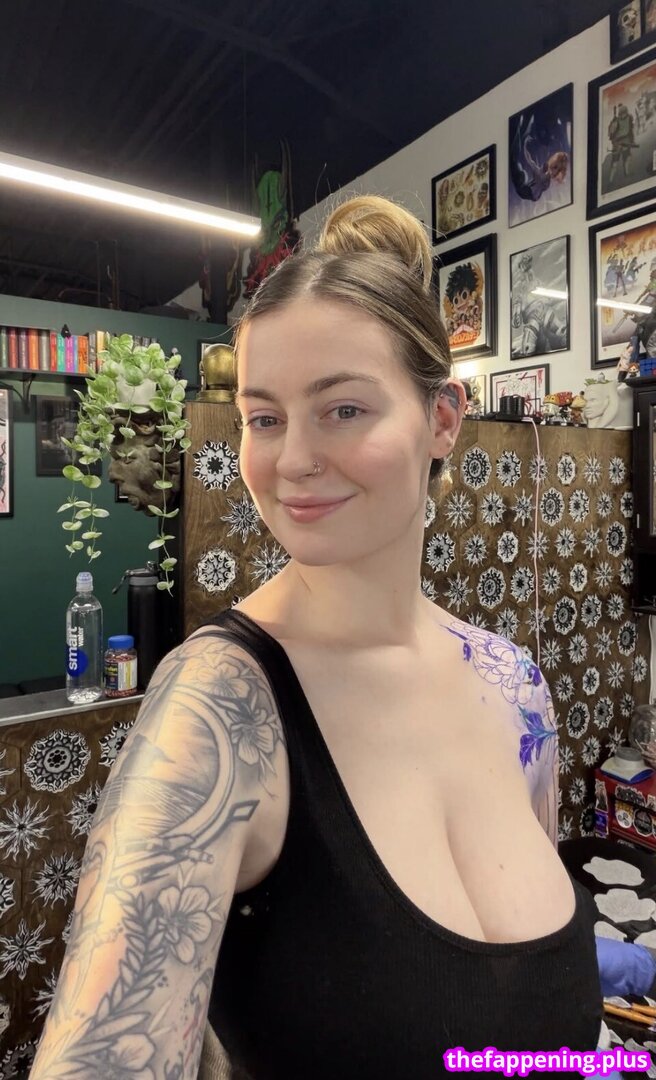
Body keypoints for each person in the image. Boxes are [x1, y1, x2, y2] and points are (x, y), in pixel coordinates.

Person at [31, 195, 604, 1080]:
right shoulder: (219, 710)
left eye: (342, 409)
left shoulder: (514, 685)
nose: (292, 459)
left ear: (442, 420)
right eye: (264, 418)